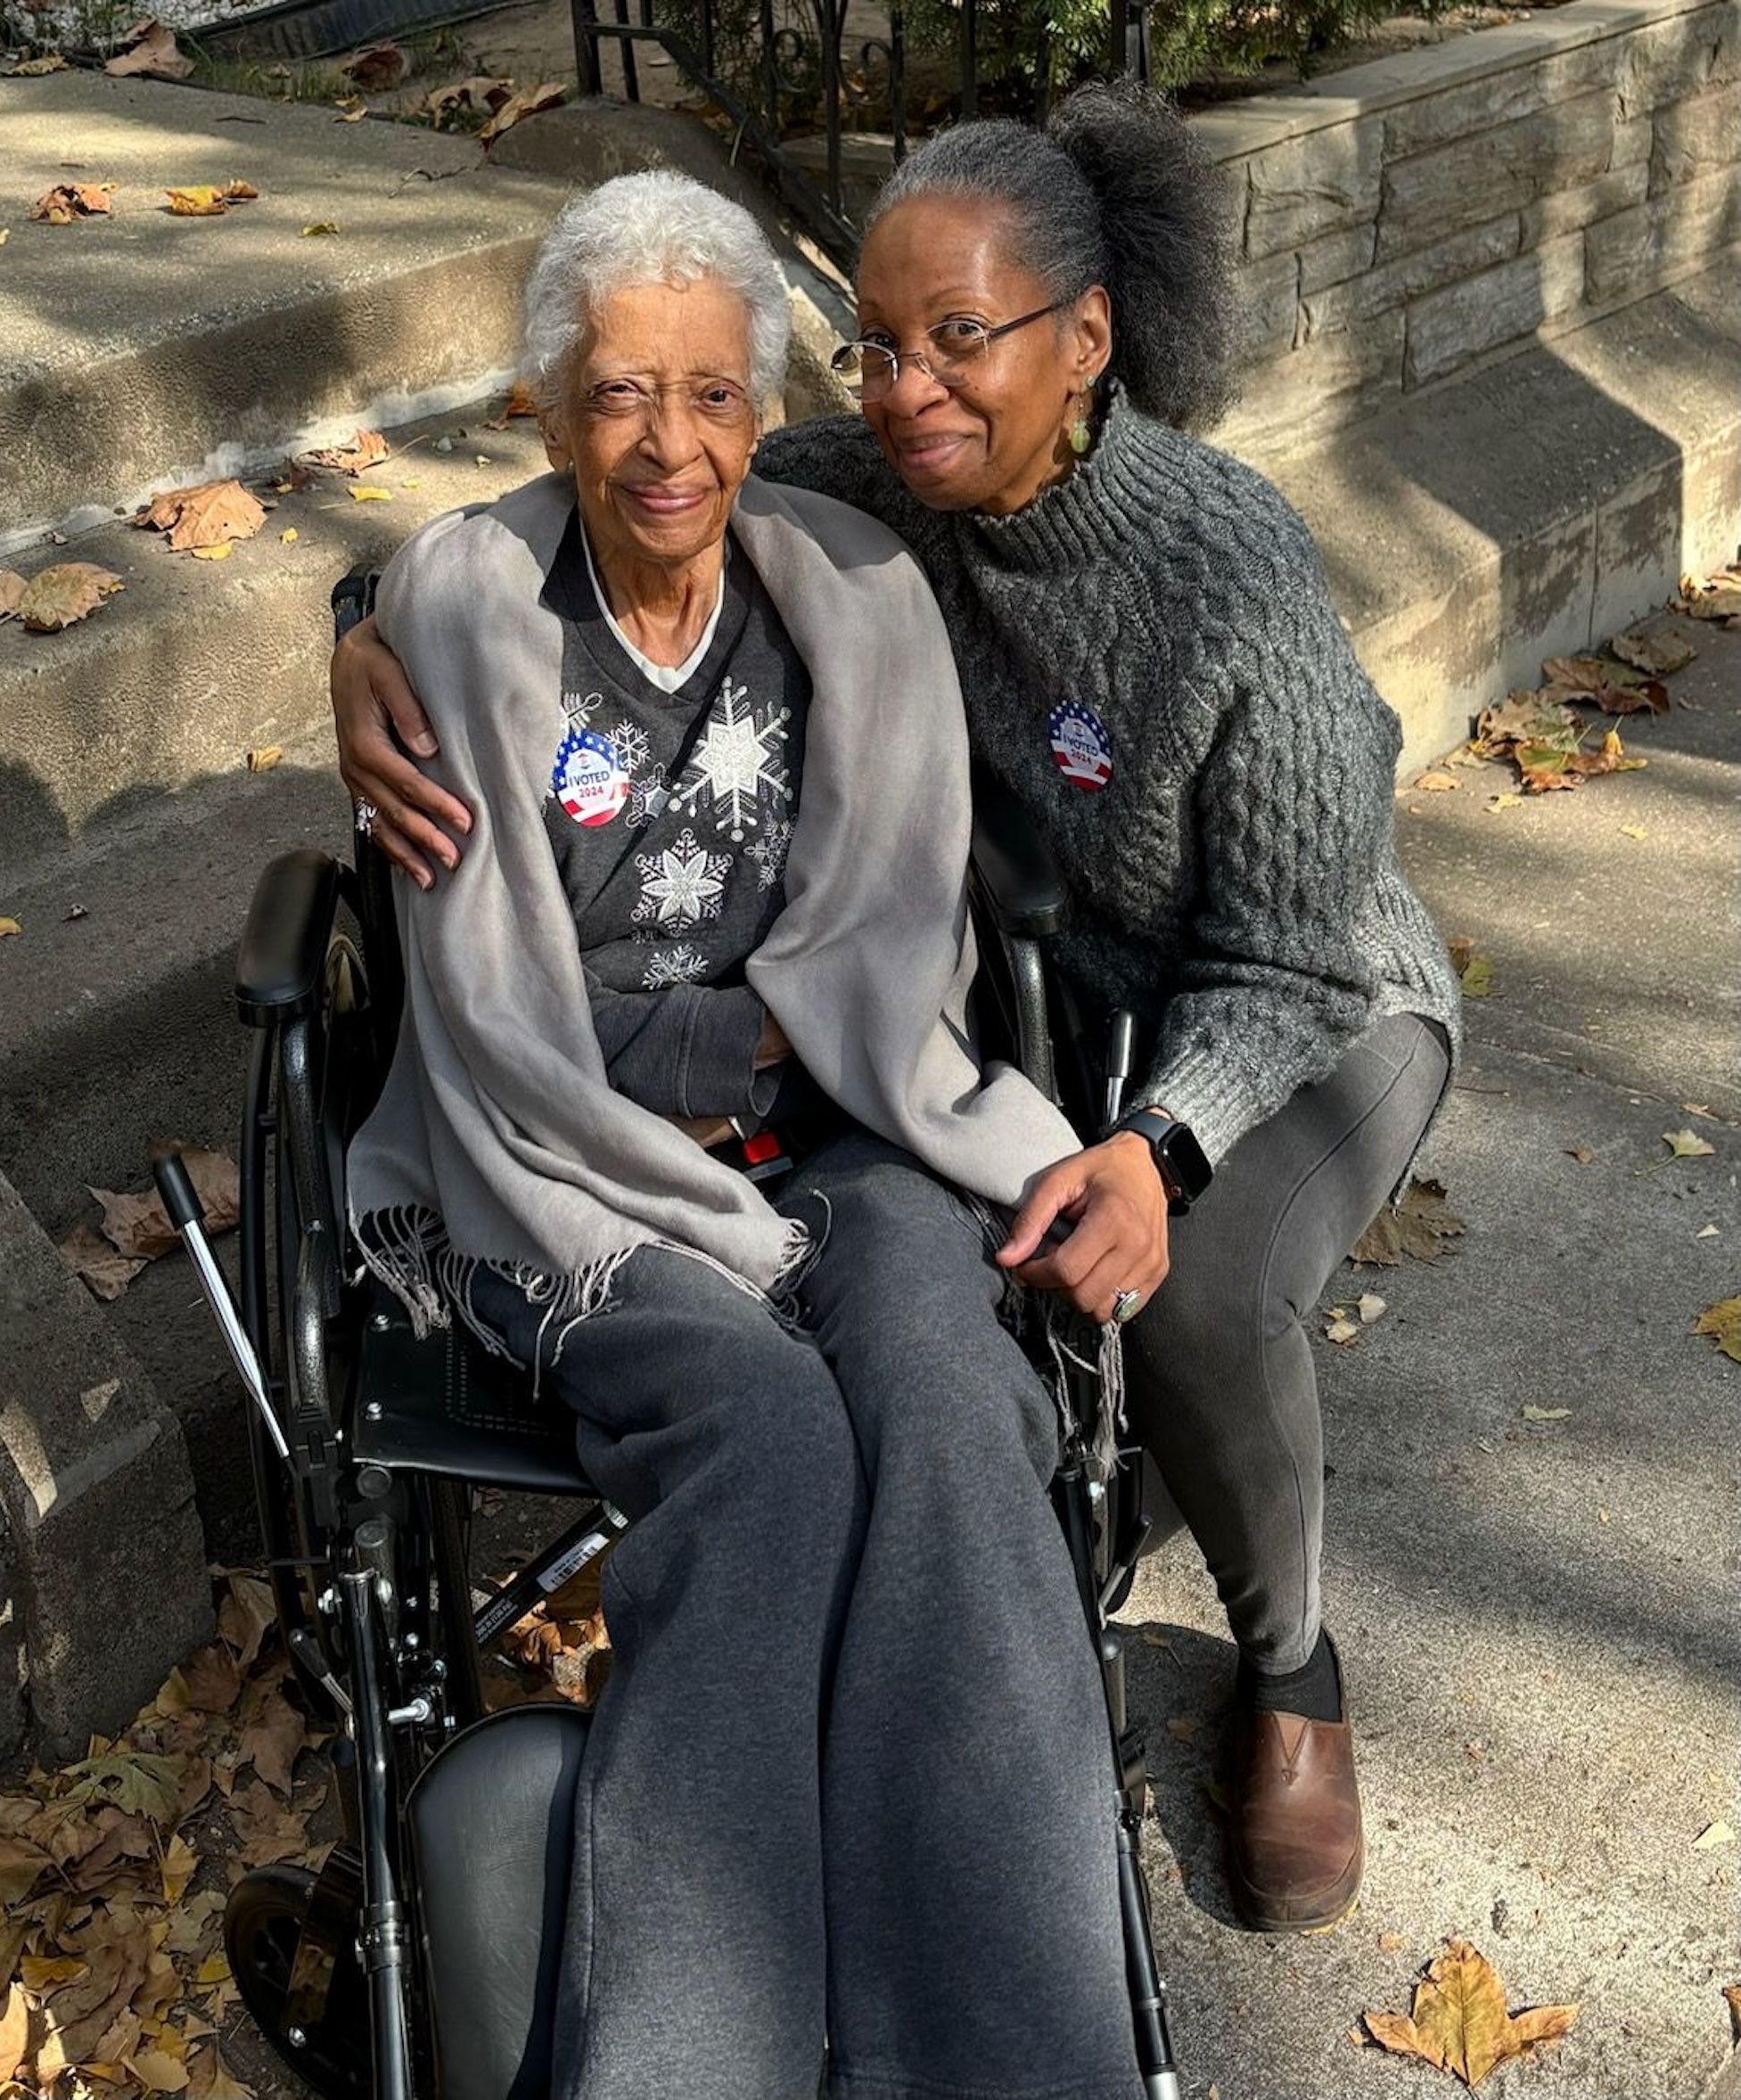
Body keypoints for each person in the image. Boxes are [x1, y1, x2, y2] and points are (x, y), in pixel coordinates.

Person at [333, 85, 1463, 1940]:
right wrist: (362, 636)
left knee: (1191, 1288)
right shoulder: (881, 478)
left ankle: (1291, 1667)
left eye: (959, 338)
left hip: (1294, 1010)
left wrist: (1159, 1142)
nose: (906, 388)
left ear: (1082, 339)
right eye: (873, 344)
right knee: (986, 1295)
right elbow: (605, 487)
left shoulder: (1223, 569)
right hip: (1032, 1001)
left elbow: (1292, 950)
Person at [346, 171, 1149, 2100]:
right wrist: (745, 1031)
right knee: (773, 1443)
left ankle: (1003, 2060)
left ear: (766, 407)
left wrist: (782, 1042)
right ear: (550, 405)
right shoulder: (468, 603)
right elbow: (515, 1024)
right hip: (565, 1172)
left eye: (713, 393)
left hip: (844, 1131)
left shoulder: (842, 581)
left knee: (948, 1406)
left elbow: (882, 967)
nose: (670, 444)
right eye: (620, 393)